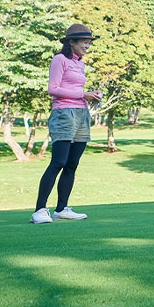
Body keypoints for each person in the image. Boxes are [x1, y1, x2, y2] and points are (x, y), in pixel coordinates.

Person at [31, 23, 102, 224]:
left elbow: (76, 89)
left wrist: (91, 95)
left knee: (72, 163)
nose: (87, 46)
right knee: (59, 162)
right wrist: (83, 94)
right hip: (63, 114)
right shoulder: (59, 60)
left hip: (81, 114)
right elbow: (53, 89)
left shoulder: (80, 64)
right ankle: (39, 211)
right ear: (71, 42)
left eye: (89, 42)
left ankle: (61, 209)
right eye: (84, 42)